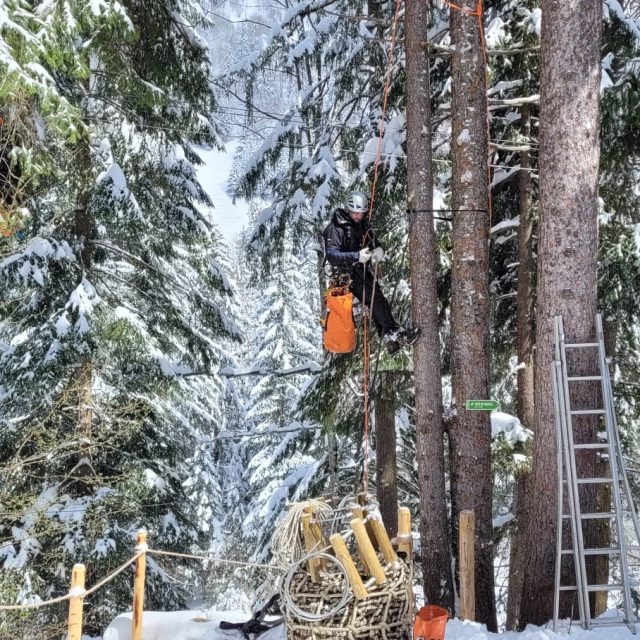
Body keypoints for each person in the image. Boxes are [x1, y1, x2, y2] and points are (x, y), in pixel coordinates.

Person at [322, 190, 420, 355]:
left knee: (375, 299)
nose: (359, 216)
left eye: (362, 213)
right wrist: (356, 256)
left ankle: (391, 338)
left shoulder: (361, 224)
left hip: (360, 270)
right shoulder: (335, 228)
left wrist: (378, 249)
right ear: (348, 209)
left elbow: (371, 238)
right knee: (375, 299)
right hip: (346, 275)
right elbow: (332, 255)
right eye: (356, 213)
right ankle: (394, 333)